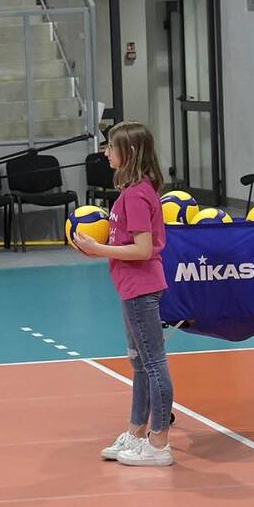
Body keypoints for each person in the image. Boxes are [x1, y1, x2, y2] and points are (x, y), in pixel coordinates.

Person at [72, 121, 174, 467]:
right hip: (132, 287)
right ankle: (136, 432)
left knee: (153, 364)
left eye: (110, 147)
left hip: (141, 288)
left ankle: (159, 443)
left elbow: (143, 249)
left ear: (128, 152)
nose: (105, 153)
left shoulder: (136, 195)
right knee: (140, 364)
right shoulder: (133, 190)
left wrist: (98, 250)